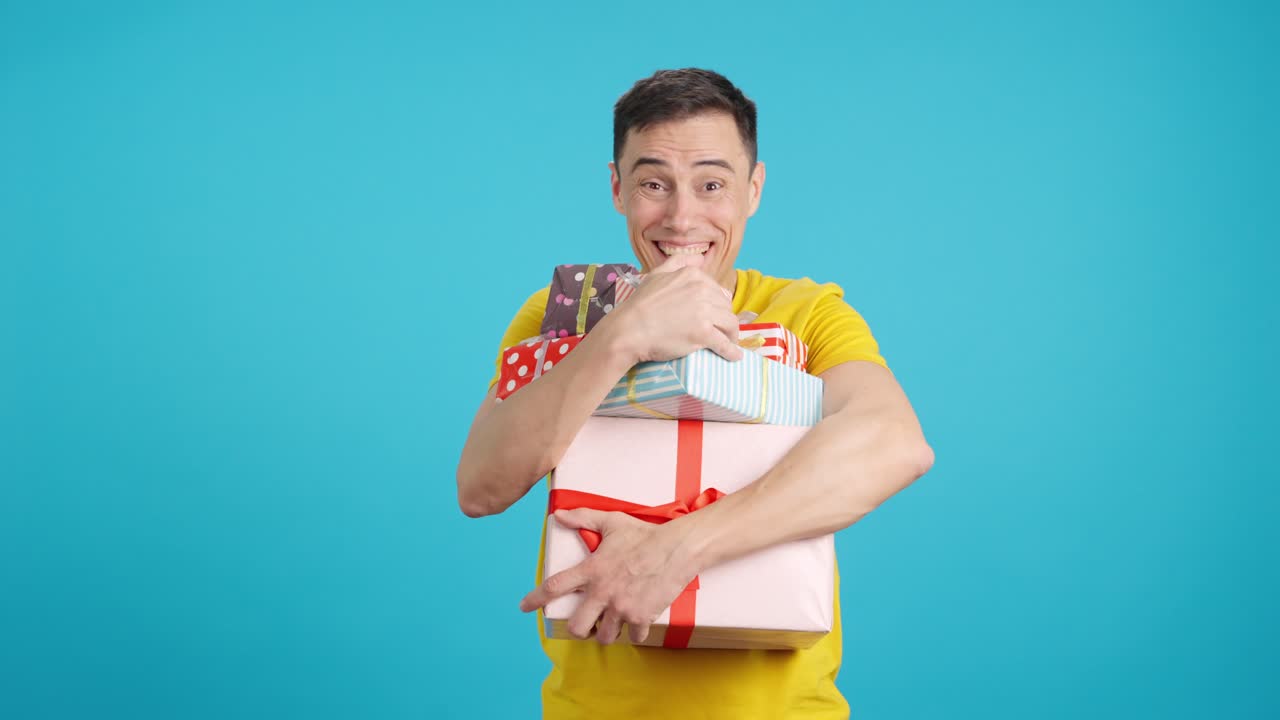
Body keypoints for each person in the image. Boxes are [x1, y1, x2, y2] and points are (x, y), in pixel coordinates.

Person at [456, 68, 934, 719]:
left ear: (753, 190)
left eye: (711, 184)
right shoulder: (563, 312)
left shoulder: (804, 313)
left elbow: (895, 444)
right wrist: (623, 334)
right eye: (654, 184)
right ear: (617, 188)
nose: (682, 217)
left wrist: (672, 551)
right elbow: (482, 485)